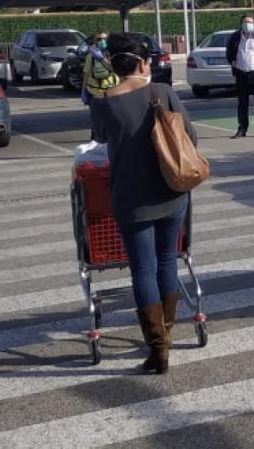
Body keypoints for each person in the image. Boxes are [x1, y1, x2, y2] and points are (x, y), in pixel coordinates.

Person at [89, 33, 196, 374]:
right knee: (168, 261)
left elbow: (100, 139)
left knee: (143, 269)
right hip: (171, 191)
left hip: (131, 198)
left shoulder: (103, 102)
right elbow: (189, 137)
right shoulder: (161, 92)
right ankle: (167, 336)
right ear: (140, 63)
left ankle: (157, 349)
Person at [81, 29, 119, 102]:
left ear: (108, 40)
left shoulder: (113, 54)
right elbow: (86, 74)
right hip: (95, 93)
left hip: (112, 91)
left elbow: (114, 69)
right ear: (95, 41)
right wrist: (83, 91)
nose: (101, 41)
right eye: (99, 39)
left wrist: (101, 58)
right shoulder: (90, 56)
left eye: (104, 39)